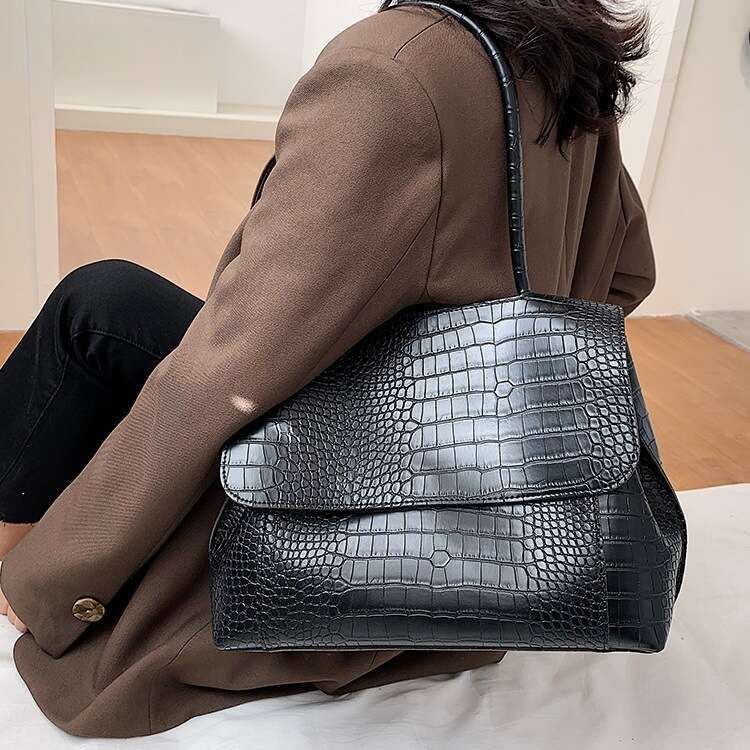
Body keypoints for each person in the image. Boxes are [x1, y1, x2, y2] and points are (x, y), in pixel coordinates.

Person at [0, 0, 655, 738]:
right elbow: (628, 274)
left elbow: (233, 368)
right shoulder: (564, 59)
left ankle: (10, 561)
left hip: (339, 513)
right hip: (492, 549)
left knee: (93, 311)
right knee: (108, 303)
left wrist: (57, 579)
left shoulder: (392, 69)